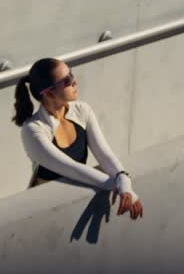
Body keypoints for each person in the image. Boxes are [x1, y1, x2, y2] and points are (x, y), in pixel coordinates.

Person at [13, 58, 144, 220]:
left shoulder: (82, 110)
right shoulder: (33, 129)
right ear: (49, 93)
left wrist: (124, 182)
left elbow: (105, 155)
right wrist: (117, 186)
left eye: (72, 74)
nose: (75, 82)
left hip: (75, 199)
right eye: (67, 81)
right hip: (45, 211)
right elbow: (71, 168)